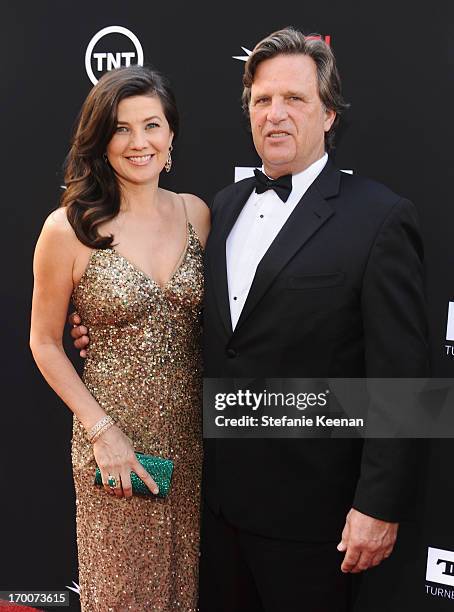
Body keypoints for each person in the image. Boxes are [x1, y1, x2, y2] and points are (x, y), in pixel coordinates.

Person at [71, 28, 429, 612]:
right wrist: (99, 330)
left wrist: (379, 506)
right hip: (214, 511)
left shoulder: (381, 219)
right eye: (263, 100)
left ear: (329, 114)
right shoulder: (224, 209)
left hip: (320, 524)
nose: (276, 114)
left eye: (296, 99)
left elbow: (408, 380)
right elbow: (181, 316)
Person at [30, 65, 210, 612]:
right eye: (122, 129)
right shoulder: (68, 228)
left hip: (193, 442)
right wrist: (102, 432)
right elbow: (44, 342)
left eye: (151, 125)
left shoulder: (198, 214)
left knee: (185, 591)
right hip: (115, 448)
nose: (139, 143)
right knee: (123, 596)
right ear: (101, 140)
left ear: (172, 134)